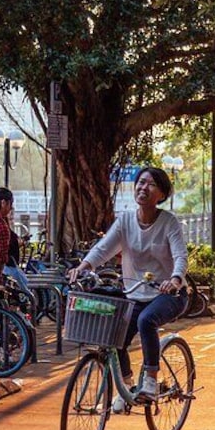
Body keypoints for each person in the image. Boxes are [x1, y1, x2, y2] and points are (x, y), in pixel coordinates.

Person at [68, 167, 188, 410]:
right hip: (135, 293)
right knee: (115, 336)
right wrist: (84, 266)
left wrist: (175, 279)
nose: (143, 188)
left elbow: (180, 255)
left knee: (146, 320)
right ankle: (126, 386)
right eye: (141, 182)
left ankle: (151, 382)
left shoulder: (169, 222)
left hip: (169, 294)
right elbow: (104, 248)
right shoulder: (125, 220)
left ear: (161, 194)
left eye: (151, 184)